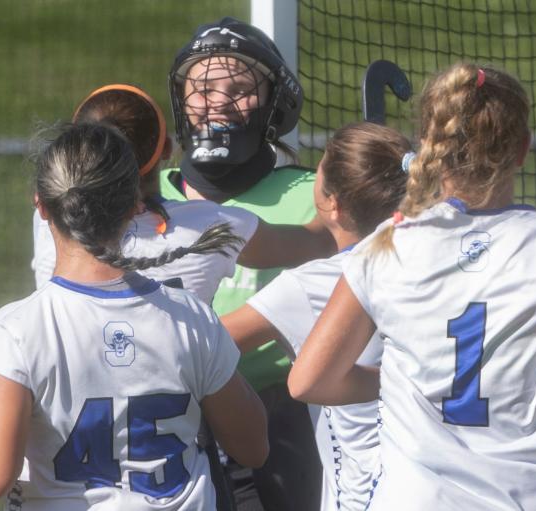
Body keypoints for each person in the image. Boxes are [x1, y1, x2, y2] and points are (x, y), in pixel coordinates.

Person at [287, 63, 536, 510]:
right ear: (522, 149)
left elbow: (308, 380)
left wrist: (415, 381)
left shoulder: (387, 244)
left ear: (426, 147)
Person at [0, 122, 268, 510]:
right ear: (135, 205)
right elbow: (253, 447)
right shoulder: (190, 318)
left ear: (41, 205)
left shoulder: (16, 330)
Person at [165, 17, 325, 510]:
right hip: (166, 426)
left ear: (275, 105)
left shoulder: (314, 198)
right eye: (204, 88)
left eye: (240, 89)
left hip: (282, 427)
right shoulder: (143, 197)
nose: (219, 101)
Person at [221, 122, 410, 510]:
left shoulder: (308, 285)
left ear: (332, 204)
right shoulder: (436, 265)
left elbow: (205, 345)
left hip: (361, 499)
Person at [32, 83, 333, 304]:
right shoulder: (215, 225)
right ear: (166, 150)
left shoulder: (50, 218)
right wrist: (331, 179)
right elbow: (321, 240)